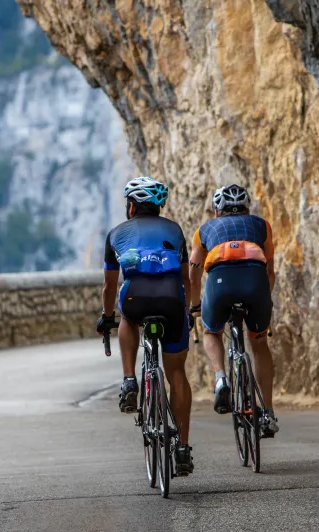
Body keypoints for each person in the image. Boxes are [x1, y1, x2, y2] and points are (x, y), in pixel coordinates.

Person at [96, 176, 195, 476]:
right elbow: (185, 279)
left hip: (136, 297)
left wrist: (107, 316)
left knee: (128, 317)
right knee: (176, 372)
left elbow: (110, 285)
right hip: (171, 300)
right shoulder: (174, 230)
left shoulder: (115, 234)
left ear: (131, 205)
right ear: (157, 206)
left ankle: (129, 379)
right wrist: (188, 311)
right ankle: (182, 448)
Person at [188, 184, 280, 437]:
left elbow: (193, 276)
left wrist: (195, 306)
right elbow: (269, 271)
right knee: (259, 343)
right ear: (247, 208)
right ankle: (268, 413)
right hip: (255, 283)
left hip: (220, 284)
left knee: (211, 332)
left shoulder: (203, 231)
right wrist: (263, 301)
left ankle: (220, 379)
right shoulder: (262, 225)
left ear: (217, 211)